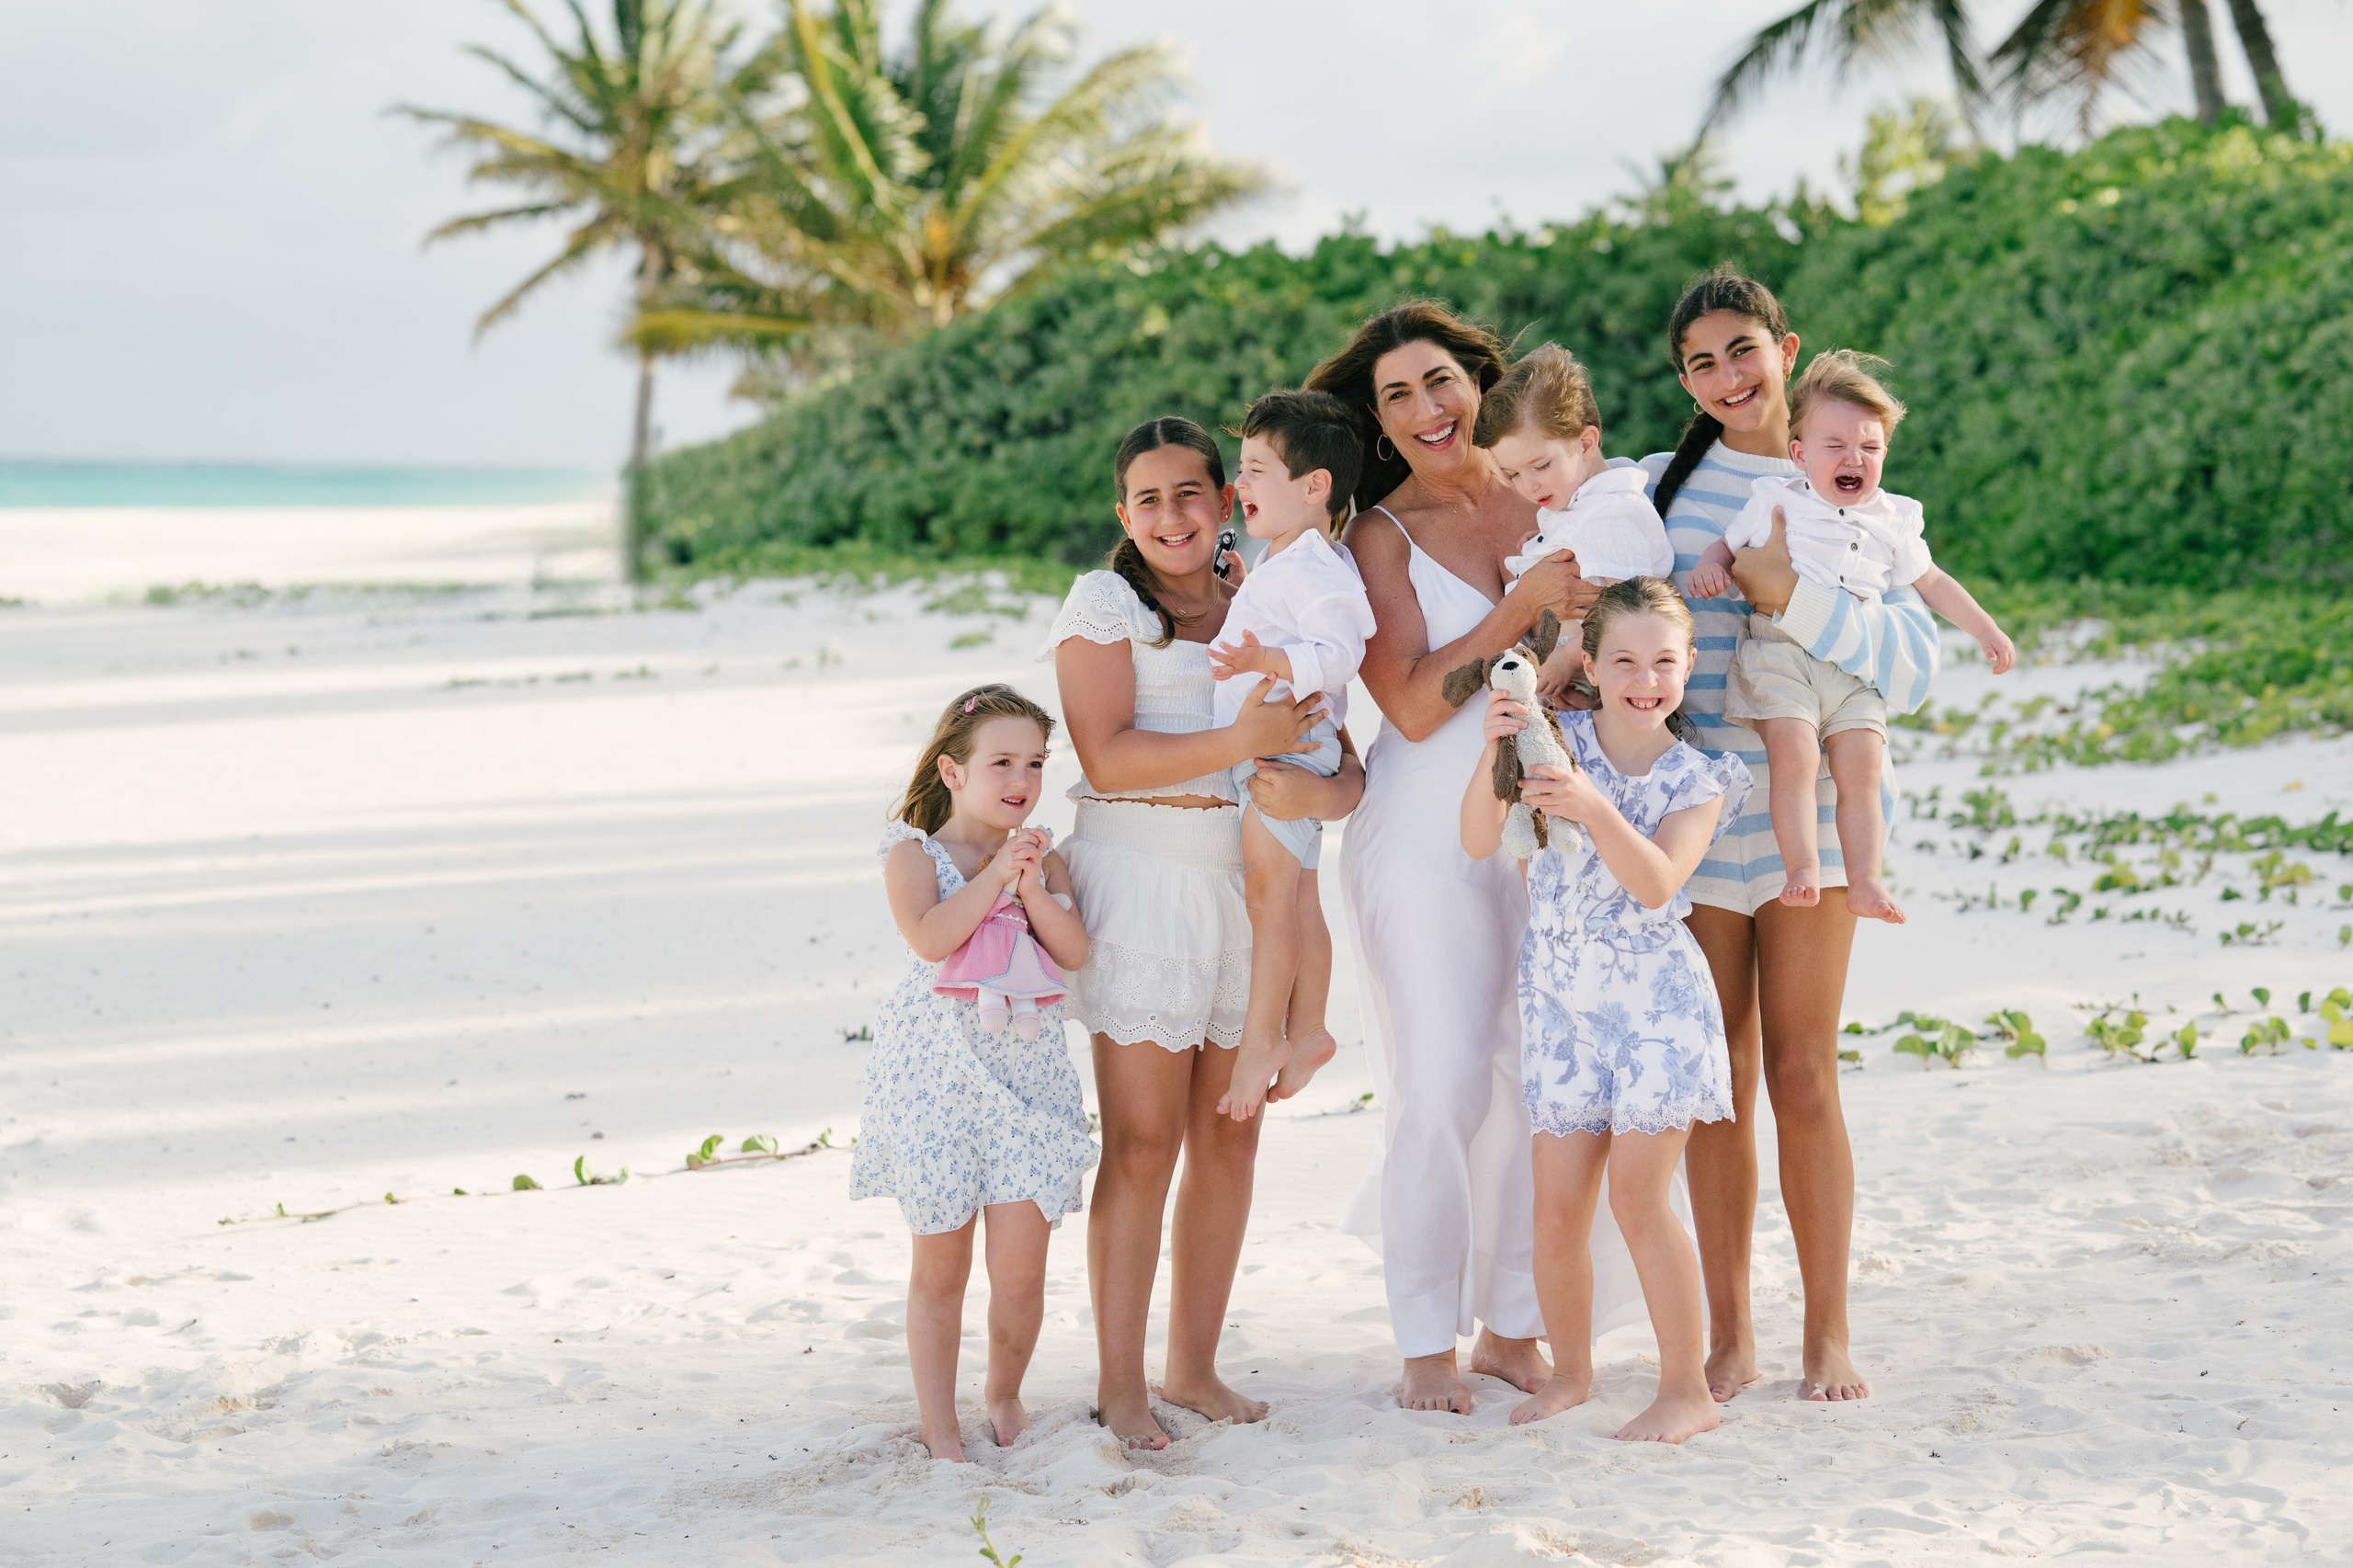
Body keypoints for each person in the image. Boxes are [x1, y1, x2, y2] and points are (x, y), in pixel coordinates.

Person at [1309, 301, 1663, 1416]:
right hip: (1424, 828)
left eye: (1440, 381)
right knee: (1441, 1080)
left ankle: (1514, 1323)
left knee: (1535, 1081)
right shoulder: (1380, 536)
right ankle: (1424, 1339)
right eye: (1396, 396)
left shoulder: (1550, 487)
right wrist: (1519, 607)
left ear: (1479, 382)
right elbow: (1413, 705)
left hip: (1551, 821)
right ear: (1376, 422)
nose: (1426, 409)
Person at [1645, 265, 1938, 1403]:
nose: (1726, 376)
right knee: (1717, 1075)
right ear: (1684, 381)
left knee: (1804, 1071)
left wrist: (1786, 595)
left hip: (1809, 811)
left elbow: (1908, 666)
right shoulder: (1663, 490)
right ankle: (1730, 1335)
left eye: (1742, 350)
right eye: (1700, 362)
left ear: (1785, 348)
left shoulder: (1853, 479)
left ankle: (1827, 1333)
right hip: (1697, 815)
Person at [1045, 415, 1364, 1449]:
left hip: (1246, 894)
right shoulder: (1105, 605)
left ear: (1226, 499)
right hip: (1144, 886)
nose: (1172, 515)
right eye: (1148, 499)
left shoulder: (1265, 595)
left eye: (1190, 493)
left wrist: (1327, 793)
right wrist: (1240, 737)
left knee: (1232, 1132)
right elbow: (1105, 756)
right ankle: (1121, 1383)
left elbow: (1338, 754)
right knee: (1142, 1144)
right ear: (1123, 512)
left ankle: (1193, 1365)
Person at [1461, 578, 1748, 1444]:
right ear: (1589, 666)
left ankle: (1686, 1389)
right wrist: (1493, 752)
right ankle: (1573, 1375)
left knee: (1638, 1197)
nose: (1644, 679)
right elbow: (1477, 839)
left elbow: (1658, 884)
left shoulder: (1697, 778)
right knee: (1555, 1206)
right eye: (1623, 660)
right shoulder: (1557, 740)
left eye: (1663, 662)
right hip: (1562, 1004)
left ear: (1688, 666)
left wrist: (1592, 806)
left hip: (1656, 1010)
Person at [852, 684, 1098, 1462]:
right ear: (953, 772)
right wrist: (995, 879)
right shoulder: (913, 854)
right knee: (941, 1267)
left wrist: (1030, 885)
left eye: (1036, 762)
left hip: (1025, 1083)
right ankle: (939, 1424)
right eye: (1002, 762)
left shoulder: (1043, 856)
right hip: (935, 1084)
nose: (1022, 779)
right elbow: (932, 939)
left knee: (1021, 1270)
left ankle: (1004, 1391)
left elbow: (1073, 951)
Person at [1688, 350, 2015, 922]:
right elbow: (1728, 546)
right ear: (1800, 455)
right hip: (1781, 653)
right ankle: (1802, 868)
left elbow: (1933, 582)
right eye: (1835, 445)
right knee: (1793, 756)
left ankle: (1865, 879)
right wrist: (1711, 567)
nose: (1853, 458)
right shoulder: (1777, 498)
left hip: (1852, 669)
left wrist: (1984, 628)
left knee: (1861, 768)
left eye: (1870, 447)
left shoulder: (1895, 519)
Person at [1205, 390, 1377, 1122]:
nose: (1239, 483)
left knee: (1268, 900)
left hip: (1286, 758)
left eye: (1256, 469)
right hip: (1285, 753)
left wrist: (1267, 660)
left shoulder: (1317, 568)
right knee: (1298, 898)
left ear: (1314, 486)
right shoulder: (1288, 556)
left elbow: (1341, 652)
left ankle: (1260, 1043)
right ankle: (1308, 1032)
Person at [1473, 342, 1675, 706]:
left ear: (1585, 443)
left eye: (1541, 466)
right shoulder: (1577, 505)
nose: (1528, 486)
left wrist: (1567, 659)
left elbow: (1631, 612)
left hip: (1604, 690)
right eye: (1512, 474)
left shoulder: (1612, 513)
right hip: (1575, 683)